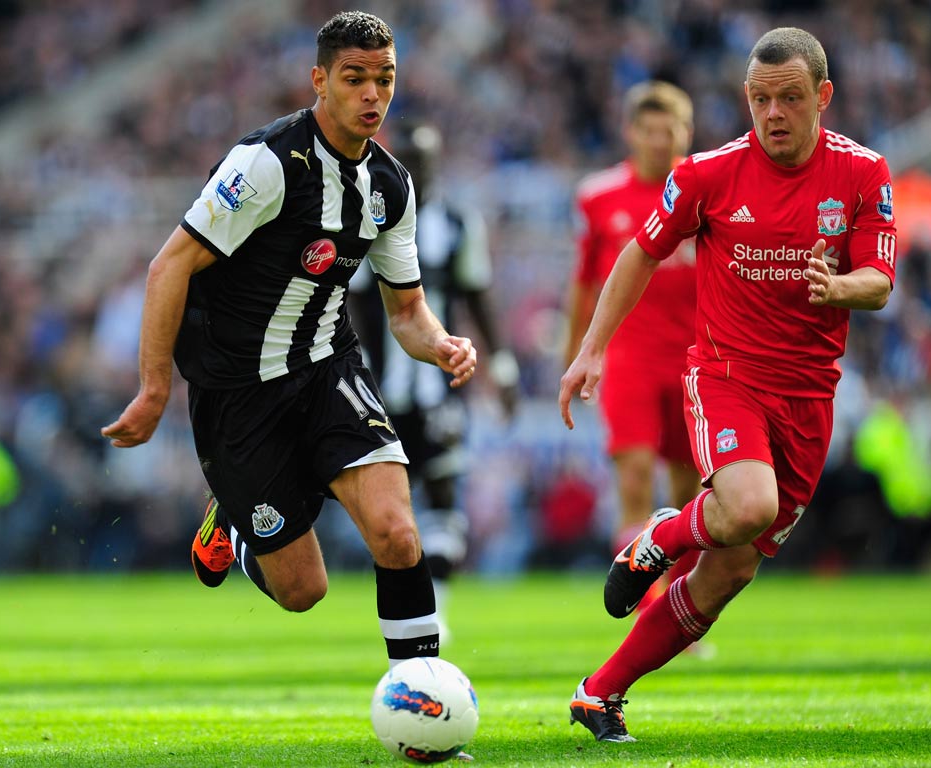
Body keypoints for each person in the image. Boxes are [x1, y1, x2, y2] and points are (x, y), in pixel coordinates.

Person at [100, 11, 478, 669]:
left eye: (384, 80)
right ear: (319, 80)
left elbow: (409, 310)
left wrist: (442, 343)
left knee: (397, 533)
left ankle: (420, 699)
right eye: (354, 78)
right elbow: (170, 265)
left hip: (329, 365)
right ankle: (238, 526)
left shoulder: (390, 186)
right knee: (303, 591)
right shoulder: (268, 163)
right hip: (238, 391)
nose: (372, 96)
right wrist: (155, 387)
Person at [560, 27, 896, 742]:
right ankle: (662, 533)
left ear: (822, 98)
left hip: (809, 396)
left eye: (790, 98)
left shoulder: (864, 173)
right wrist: (591, 349)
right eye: (760, 98)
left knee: (729, 571)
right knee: (744, 507)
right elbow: (638, 254)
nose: (773, 113)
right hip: (727, 376)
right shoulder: (709, 174)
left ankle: (599, 692)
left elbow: (880, 281)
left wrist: (839, 285)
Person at [348, 121, 519, 640]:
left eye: (427, 161)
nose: (419, 171)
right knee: (388, 506)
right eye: (412, 161)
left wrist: (502, 364)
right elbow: (352, 302)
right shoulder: (369, 220)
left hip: (438, 386)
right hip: (380, 390)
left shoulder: (458, 224)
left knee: (444, 493)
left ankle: (434, 609)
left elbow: (477, 297)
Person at [565, 80, 702, 612]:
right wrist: (573, 354)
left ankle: (684, 613)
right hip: (628, 360)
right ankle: (650, 610)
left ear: (685, 134)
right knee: (636, 477)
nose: (657, 141)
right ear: (630, 133)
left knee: (691, 491)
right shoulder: (599, 197)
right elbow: (580, 285)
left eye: (667, 130)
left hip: (694, 360)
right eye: (647, 130)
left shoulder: (703, 192)